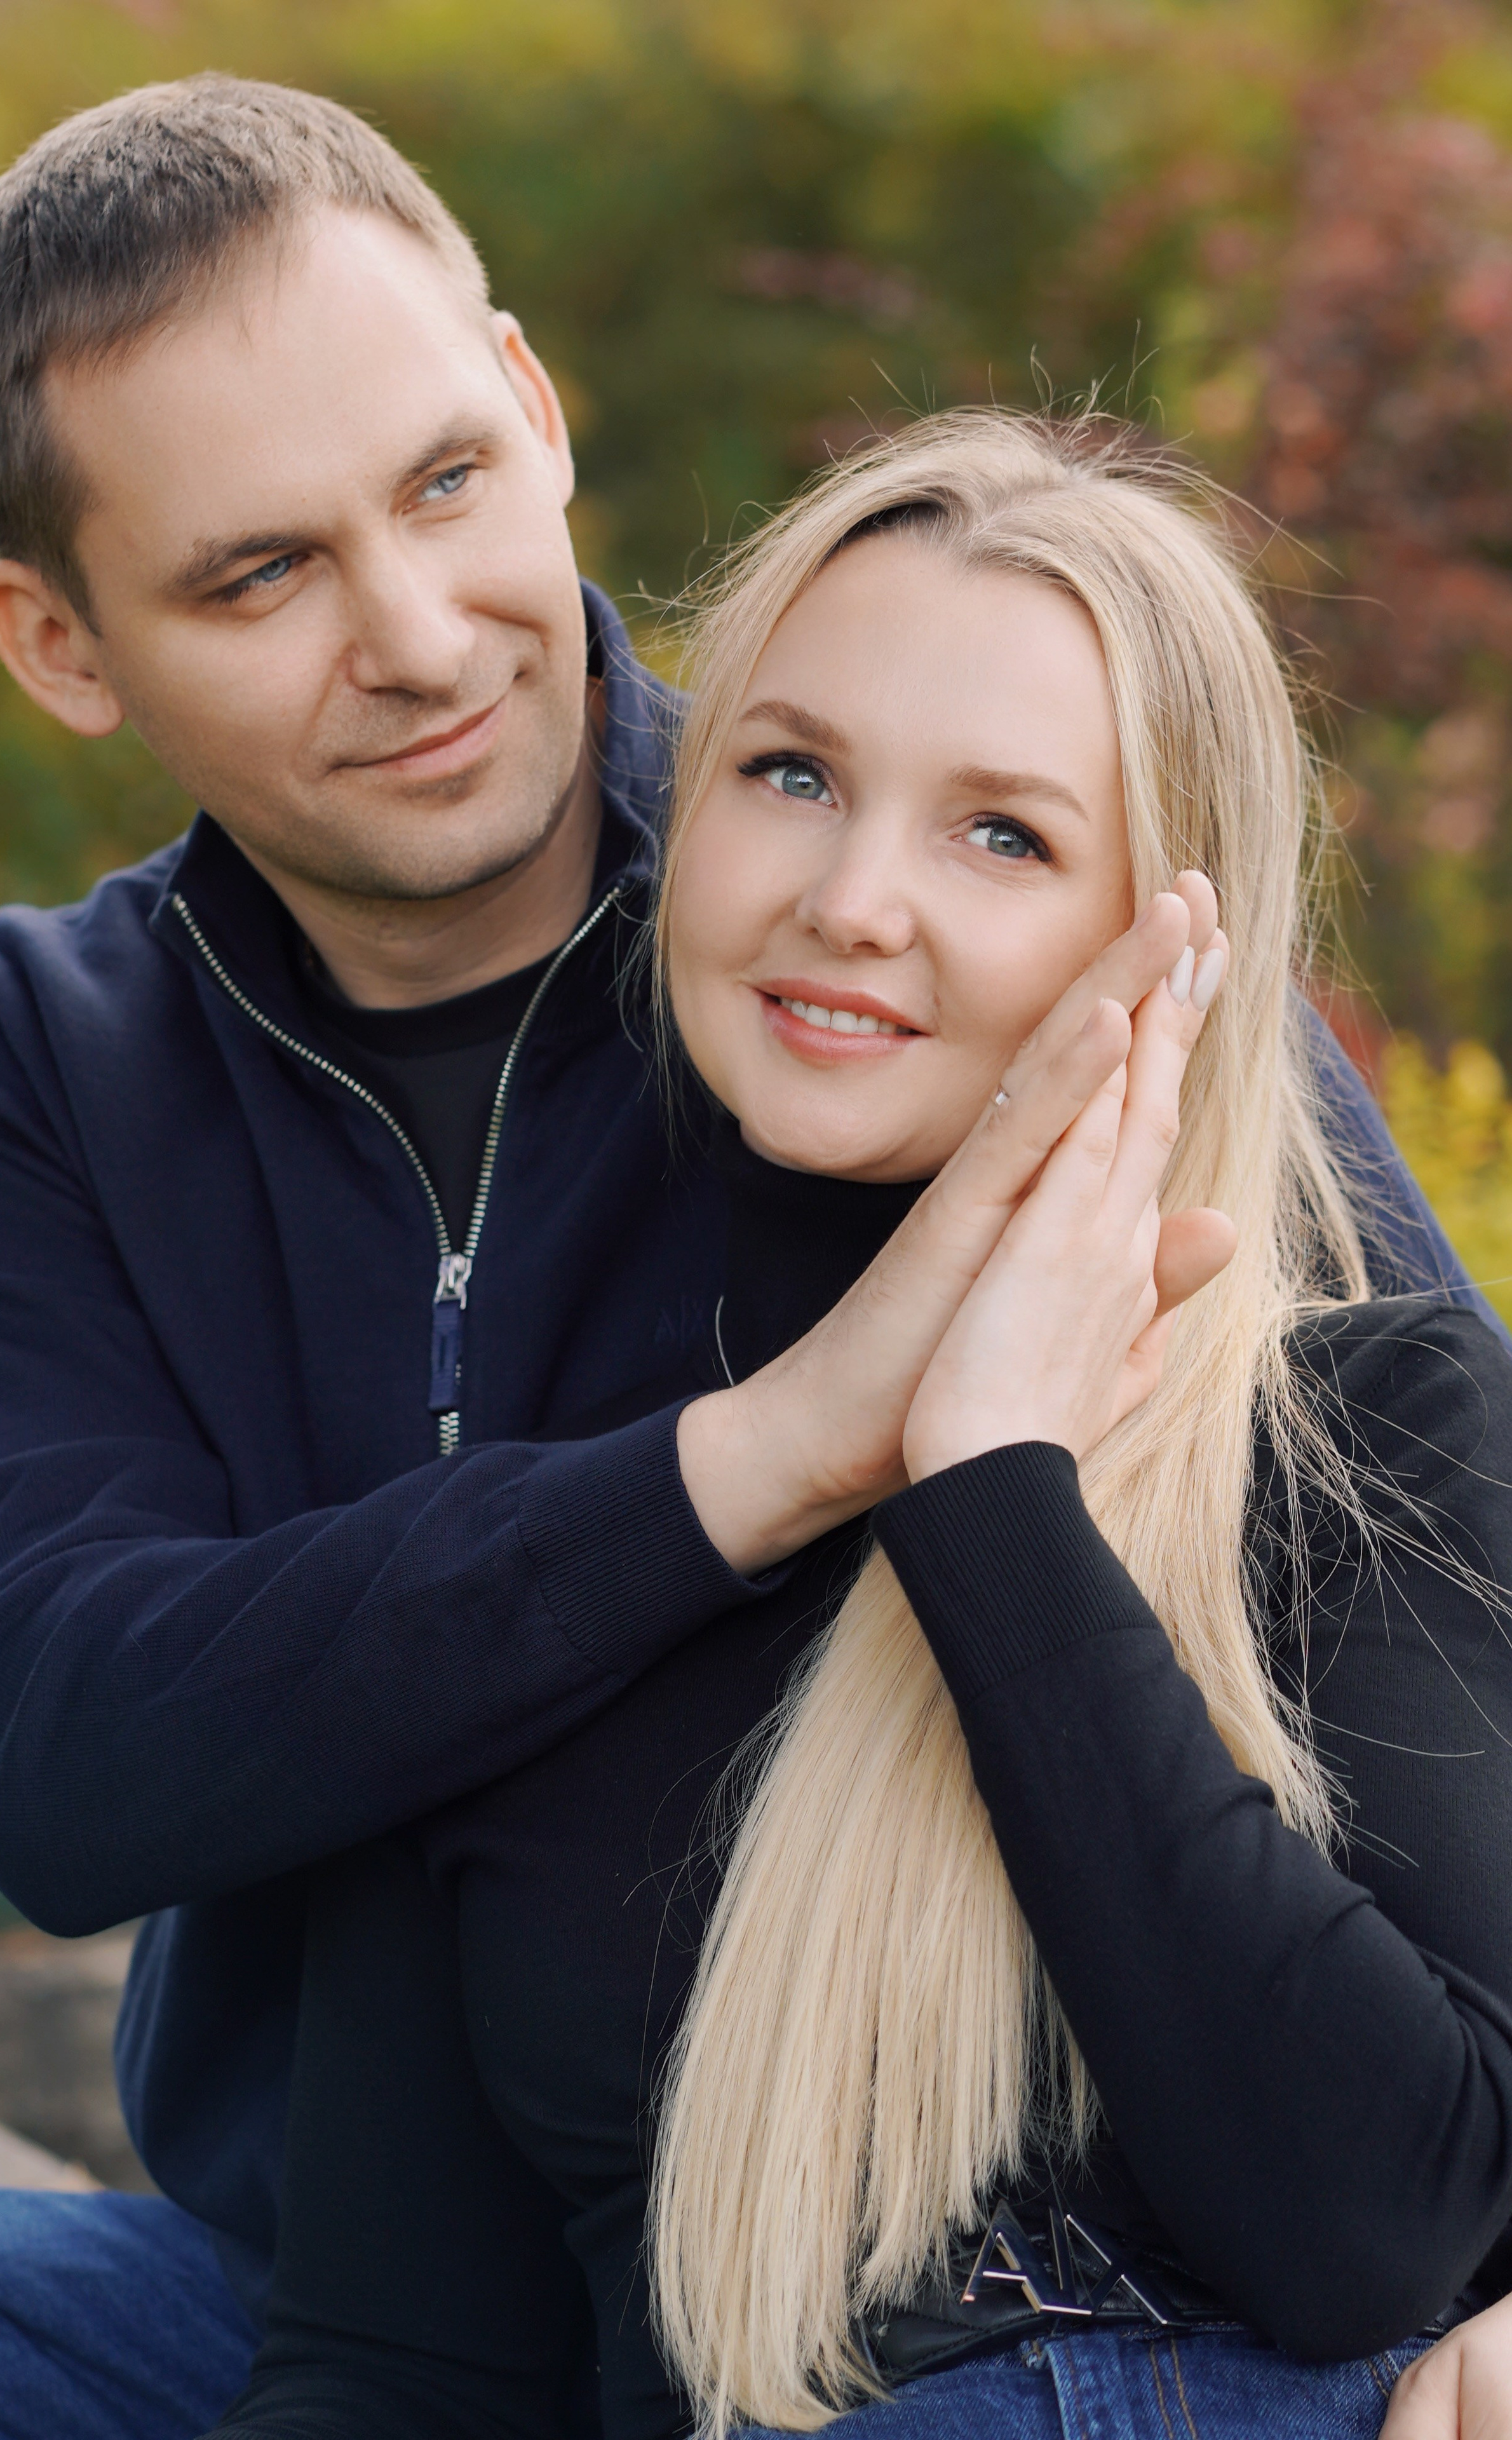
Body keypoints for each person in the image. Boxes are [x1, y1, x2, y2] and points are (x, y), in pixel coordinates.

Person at [0, 72, 1488, 2440]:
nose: (421, 638)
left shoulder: (962, 991)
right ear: (63, 643)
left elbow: (1424, 1574)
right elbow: (58, 1762)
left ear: (533, 407)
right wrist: (761, 1461)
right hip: (385, 2251)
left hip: (1042, 2296)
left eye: (442, 483)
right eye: (260, 573)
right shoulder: (47, 1062)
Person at [201, 413, 1512, 2440]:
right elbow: (398, 2359)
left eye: (1004, 835)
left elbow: (1370, 2229)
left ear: (1167, 941)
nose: (849, 898)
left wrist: (996, 1497)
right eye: (790, 774)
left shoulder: (1362, 1434)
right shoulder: (539, 1536)